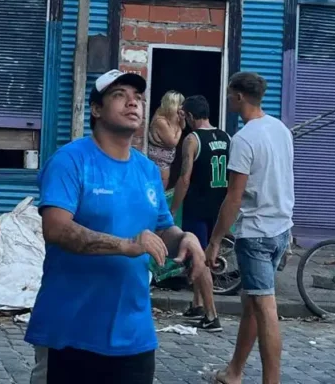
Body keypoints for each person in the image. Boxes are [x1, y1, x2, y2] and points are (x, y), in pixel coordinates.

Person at [25, 69, 210, 384]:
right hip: (71, 330)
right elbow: (56, 230)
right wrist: (125, 245)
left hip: (133, 333)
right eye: (119, 96)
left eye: (137, 97)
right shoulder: (70, 161)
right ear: (96, 109)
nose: (132, 103)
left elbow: (163, 226)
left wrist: (185, 238)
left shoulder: (147, 170)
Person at [205, 72, 293, 384]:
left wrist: (215, 240)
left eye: (229, 94)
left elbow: (233, 197)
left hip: (256, 233)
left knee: (265, 308)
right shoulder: (280, 129)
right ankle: (235, 371)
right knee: (253, 303)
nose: (228, 99)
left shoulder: (242, 140)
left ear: (239, 97)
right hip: (282, 229)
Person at [170, 94, 228, 329]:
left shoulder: (192, 140)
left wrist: (174, 208)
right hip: (219, 205)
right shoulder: (226, 137)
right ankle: (198, 304)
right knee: (206, 254)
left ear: (191, 116)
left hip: (198, 205)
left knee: (199, 259)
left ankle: (212, 315)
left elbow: (185, 178)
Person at [146, 90, 185, 188]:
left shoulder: (172, 117)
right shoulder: (161, 121)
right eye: (181, 104)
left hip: (165, 163)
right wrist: (179, 129)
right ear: (173, 105)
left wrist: (182, 119)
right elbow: (173, 142)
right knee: (158, 191)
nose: (182, 107)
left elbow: (183, 126)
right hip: (159, 163)